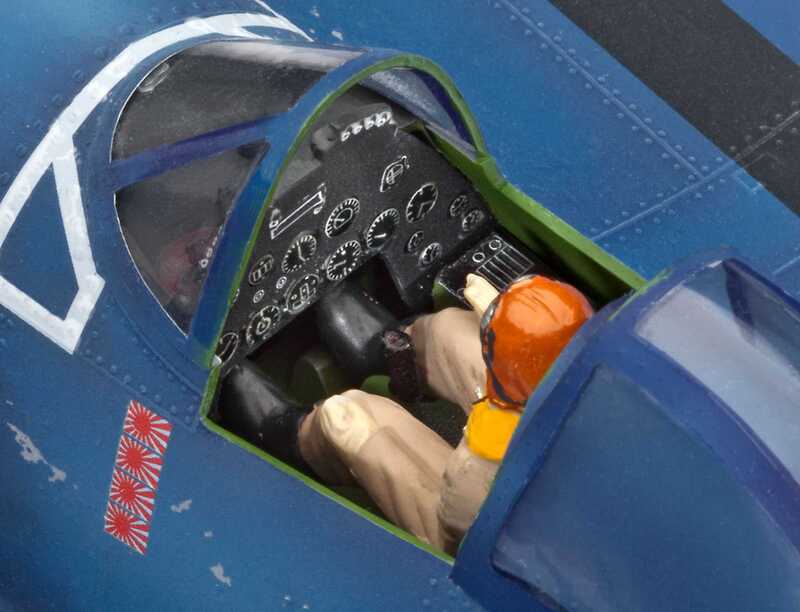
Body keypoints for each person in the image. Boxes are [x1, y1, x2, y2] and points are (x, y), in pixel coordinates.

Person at [221, 274, 593, 554]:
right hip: (580, 460)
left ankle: (301, 440)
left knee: (349, 417)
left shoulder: (483, 460)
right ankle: (396, 356)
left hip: (505, 531)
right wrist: (509, 326)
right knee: (452, 331)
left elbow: (461, 505)